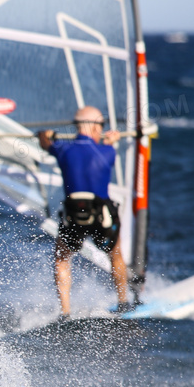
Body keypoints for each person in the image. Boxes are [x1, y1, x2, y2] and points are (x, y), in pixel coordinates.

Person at [38, 106, 131, 318]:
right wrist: (110, 141)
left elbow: (45, 143)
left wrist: (46, 135)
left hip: (74, 216)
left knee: (62, 258)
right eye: (101, 126)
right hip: (102, 216)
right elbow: (101, 155)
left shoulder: (62, 149)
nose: (102, 130)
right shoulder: (107, 150)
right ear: (93, 126)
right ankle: (124, 303)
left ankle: (65, 311)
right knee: (115, 255)